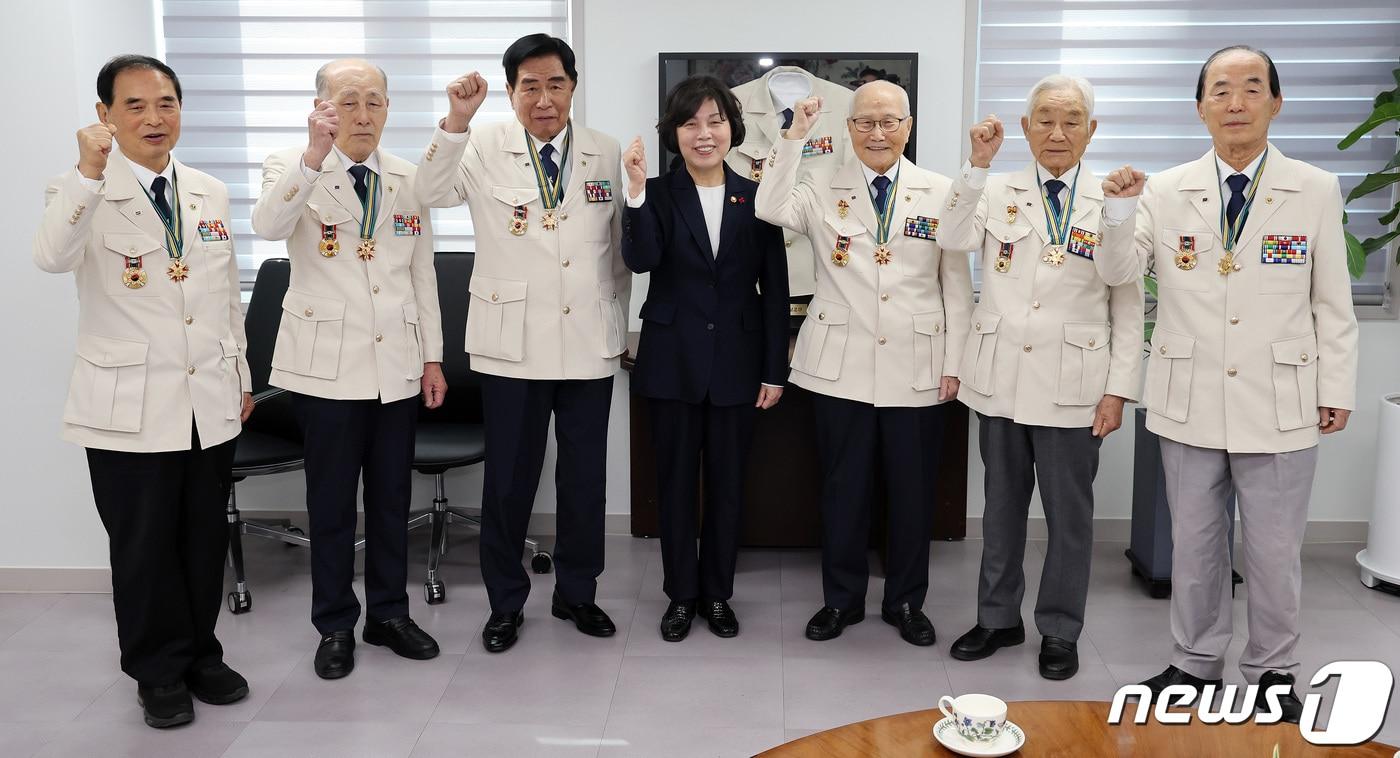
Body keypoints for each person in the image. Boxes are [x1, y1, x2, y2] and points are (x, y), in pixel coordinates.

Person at [1095, 45, 1359, 721]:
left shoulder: (1315, 188)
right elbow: (1119, 273)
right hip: (1190, 399)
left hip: (1281, 399)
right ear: (1200, 108)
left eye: (1250, 88)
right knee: (1196, 547)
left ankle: (1274, 671)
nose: (1235, 102)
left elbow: (1333, 301)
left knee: (1274, 553)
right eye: (1220, 90)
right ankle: (1194, 664)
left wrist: (1338, 387)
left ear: (1275, 102)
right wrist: (1120, 210)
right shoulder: (1163, 188)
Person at [33, 54, 253, 728]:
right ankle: (155, 669)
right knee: (143, 544)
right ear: (104, 116)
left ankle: (200, 654)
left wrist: (240, 375)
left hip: (206, 398)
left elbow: (222, 297)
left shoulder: (209, 192)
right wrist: (89, 174)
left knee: (201, 536)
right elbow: (51, 256)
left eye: (166, 103)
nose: (154, 118)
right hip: (128, 404)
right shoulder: (79, 190)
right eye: (135, 105)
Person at [417, 34, 630, 653]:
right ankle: (505, 602)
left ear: (573, 86)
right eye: (529, 86)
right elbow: (430, 195)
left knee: (585, 478)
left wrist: (615, 317)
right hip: (512, 346)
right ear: (510, 93)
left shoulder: (604, 151)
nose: (544, 99)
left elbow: (616, 251)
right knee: (509, 479)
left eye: (555, 84)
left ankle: (577, 594)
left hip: (588, 340)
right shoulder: (480, 146)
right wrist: (457, 120)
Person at [937, 75, 1143, 680]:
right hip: (999, 379)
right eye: (1045, 120)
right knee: (1000, 509)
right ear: (1025, 128)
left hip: (1074, 387)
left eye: (1072, 120)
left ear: (1091, 129)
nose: (1057, 132)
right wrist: (975, 165)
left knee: (1068, 519)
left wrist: (1118, 389)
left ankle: (1060, 628)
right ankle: (998, 618)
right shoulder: (995, 190)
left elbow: (1127, 303)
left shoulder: (1114, 201)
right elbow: (950, 238)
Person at [755, 81, 973, 646]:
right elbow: (769, 206)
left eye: (889, 122)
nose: (877, 133)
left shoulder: (941, 191)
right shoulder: (820, 184)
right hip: (840, 368)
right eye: (865, 122)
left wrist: (955, 363)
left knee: (912, 493)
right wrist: (793, 138)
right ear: (848, 128)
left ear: (908, 126)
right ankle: (842, 601)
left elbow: (956, 287)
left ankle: (905, 602)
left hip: (918, 367)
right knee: (842, 491)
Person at [251, 58, 444, 680]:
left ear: (389, 107)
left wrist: (433, 356)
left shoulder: (409, 177)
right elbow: (268, 225)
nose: (363, 114)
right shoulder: (292, 164)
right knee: (331, 504)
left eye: (375, 101)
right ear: (322, 106)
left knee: (391, 499)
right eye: (348, 101)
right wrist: (314, 153)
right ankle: (334, 623)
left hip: (397, 365)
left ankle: (388, 614)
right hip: (326, 370)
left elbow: (422, 275)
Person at [620, 75, 789, 642]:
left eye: (715, 120)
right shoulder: (660, 193)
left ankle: (717, 593)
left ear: (732, 129)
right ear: (675, 132)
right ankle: (680, 595)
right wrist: (637, 191)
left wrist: (774, 369)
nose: (704, 133)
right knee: (673, 486)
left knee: (727, 485)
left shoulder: (756, 195)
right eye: (691, 122)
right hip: (672, 364)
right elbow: (641, 260)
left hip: (738, 366)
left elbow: (774, 289)